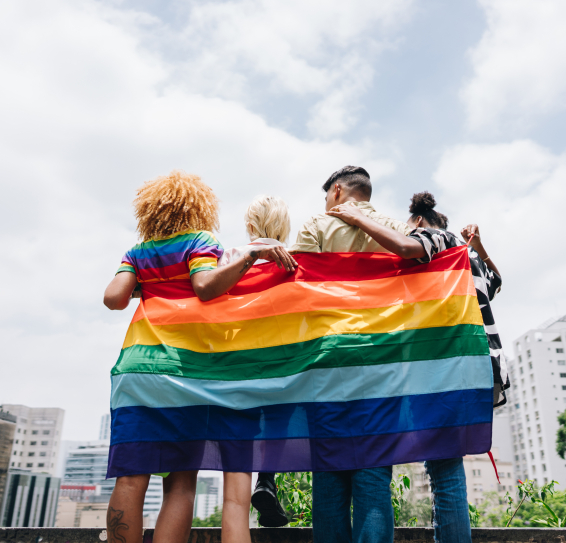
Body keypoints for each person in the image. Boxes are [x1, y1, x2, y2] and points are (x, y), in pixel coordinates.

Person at [103, 171, 297, 543]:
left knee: (131, 475)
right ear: (200, 208)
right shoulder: (200, 241)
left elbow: (113, 298)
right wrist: (252, 254)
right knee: (181, 481)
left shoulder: (137, 252)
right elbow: (206, 287)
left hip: (135, 371)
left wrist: (147, 279)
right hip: (183, 372)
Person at [326, 191, 510, 543]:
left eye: (410, 227)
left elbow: (407, 249)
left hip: (450, 367)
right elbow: (498, 280)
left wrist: (358, 218)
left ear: (420, 222)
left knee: (420, 464)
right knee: (447, 466)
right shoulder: (469, 256)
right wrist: (481, 246)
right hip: (483, 369)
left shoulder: (441, 239)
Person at [291, 166, 410, 543]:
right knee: (373, 474)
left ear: (338, 191)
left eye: (327, 195)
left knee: (328, 474)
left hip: (327, 361)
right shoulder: (398, 230)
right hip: (383, 361)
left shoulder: (316, 226)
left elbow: (296, 289)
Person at [218, 195, 292, 528]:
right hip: (281, 357)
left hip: (239, 357)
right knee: (279, 420)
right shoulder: (295, 261)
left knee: (244, 428)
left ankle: (243, 494)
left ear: (249, 226)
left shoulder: (232, 256)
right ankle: (267, 479)